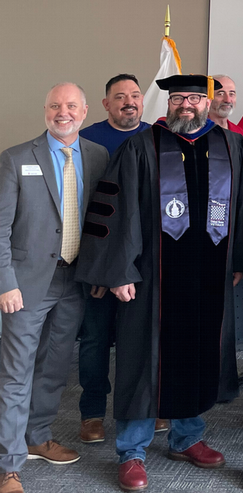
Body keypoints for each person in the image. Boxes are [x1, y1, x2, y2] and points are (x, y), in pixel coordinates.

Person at [75, 74, 243, 493]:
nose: (187, 106)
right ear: (169, 102)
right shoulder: (142, 146)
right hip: (152, 280)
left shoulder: (231, 147)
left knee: (196, 353)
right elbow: (114, 210)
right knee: (144, 359)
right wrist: (119, 271)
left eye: (195, 98)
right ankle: (132, 451)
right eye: (178, 98)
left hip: (210, 276)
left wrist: (240, 259)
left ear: (206, 103)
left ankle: (187, 437)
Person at [0, 83, 108, 493]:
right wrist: (5, 283)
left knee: (55, 366)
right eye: (54, 106)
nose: (62, 113)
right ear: (44, 109)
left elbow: (102, 224)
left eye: (70, 106)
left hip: (74, 280)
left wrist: (97, 275)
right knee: (15, 372)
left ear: (83, 112)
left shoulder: (98, 156)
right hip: (25, 286)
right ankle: (9, 464)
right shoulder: (15, 159)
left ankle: (37, 437)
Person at [77, 74, 158, 445]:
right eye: (119, 96)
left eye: (135, 95)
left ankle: (145, 407)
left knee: (141, 341)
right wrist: (100, 268)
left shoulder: (158, 140)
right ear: (106, 104)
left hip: (144, 265)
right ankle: (91, 413)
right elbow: (84, 210)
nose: (129, 101)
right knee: (95, 339)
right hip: (100, 261)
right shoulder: (87, 141)